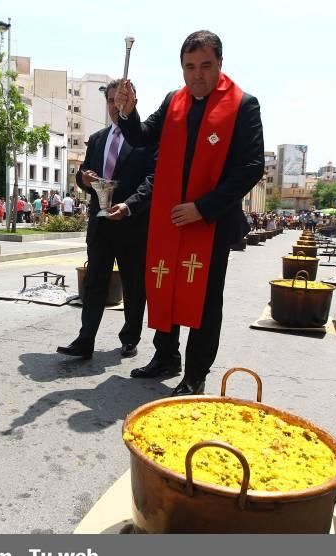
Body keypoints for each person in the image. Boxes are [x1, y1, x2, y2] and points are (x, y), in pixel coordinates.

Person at [115, 30, 265, 396]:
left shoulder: (244, 105)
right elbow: (141, 137)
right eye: (189, 67)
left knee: (205, 300)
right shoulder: (173, 102)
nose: (197, 75)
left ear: (220, 64)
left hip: (211, 222)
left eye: (205, 66)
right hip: (170, 219)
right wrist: (128, 111)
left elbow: (252, 167)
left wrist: (203, 208)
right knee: (164, 285)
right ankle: (166, 356)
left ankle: (196, 372)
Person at [57, 79, 155, 360]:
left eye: (121, 100)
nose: (115, 106)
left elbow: (152, 179)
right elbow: (85, 175)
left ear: (132, 100)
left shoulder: (145, 138)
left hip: (132, 224)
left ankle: (129, 337)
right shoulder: (98, 139)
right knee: (95, 281)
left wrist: (129, 205)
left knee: (134, 285)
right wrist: (82, 179)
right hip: (100, 224)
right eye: (111, 101)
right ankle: (85, 339)